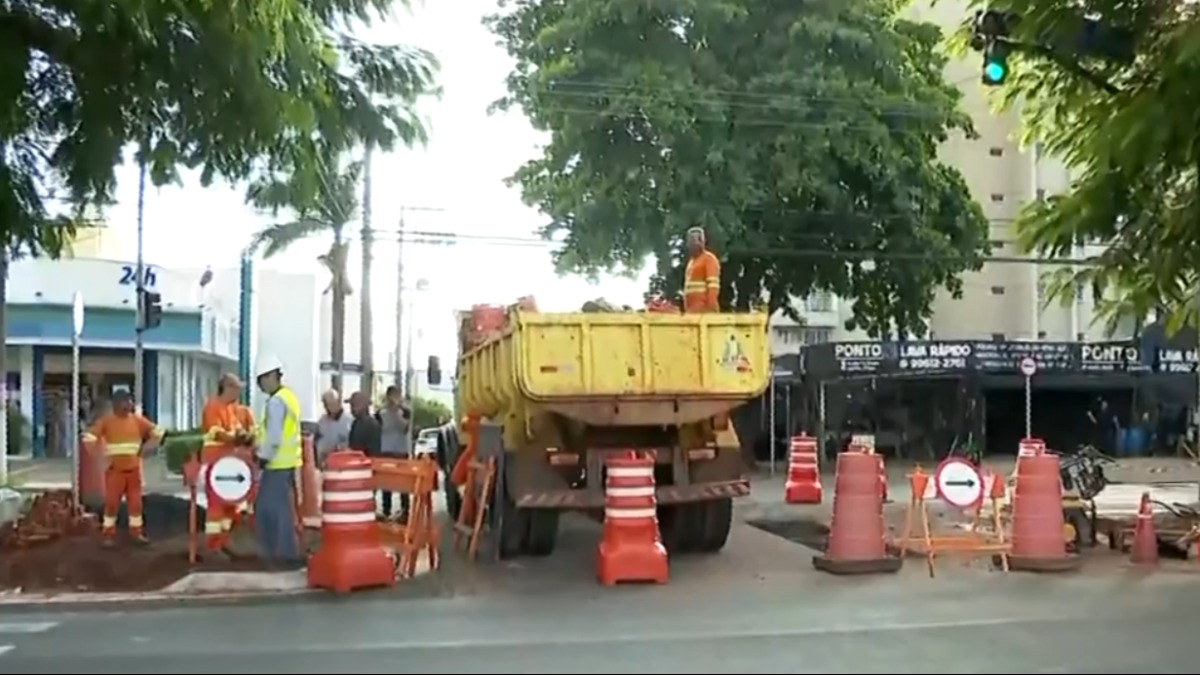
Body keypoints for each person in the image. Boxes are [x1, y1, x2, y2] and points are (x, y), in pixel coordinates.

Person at [82, 391, 163, 546]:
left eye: (130, 402)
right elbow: (89, 438)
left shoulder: (137, 421)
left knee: (136, 504)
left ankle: (136, 533)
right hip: (115, 471)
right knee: (112, 504)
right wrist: (98, 457)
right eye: (125, 402)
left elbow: (158, 432)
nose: (128, 405)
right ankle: (108, 534)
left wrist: (148, 447)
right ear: (116, 404)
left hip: (133, 471)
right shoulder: (107, 421)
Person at [253, 357, 304, 568]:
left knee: (268, 509)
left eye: (261, 380)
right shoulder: (288, 397)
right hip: (288, 463)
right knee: (278, 508)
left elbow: (274, 436)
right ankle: (283, 552)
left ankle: (280, 554)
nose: (261, 386)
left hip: (276, 464)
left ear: (270, 376)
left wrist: (262, 457)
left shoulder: (276, 402)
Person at [199, 373, 250, 551]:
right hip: (215, 463)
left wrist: (245, 436)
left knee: (230, 506)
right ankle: (213, 546)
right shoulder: (212, 407)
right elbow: (218, 433)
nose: (238, 393)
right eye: (236, 388)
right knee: (216, 506)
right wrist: (236, 438)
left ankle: (222, 541)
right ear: (227, 387)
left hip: (227, 463)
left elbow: (238, 430)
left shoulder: (230, 409)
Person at [347, 391, 387, 518]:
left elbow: (362, 449)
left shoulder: (369, 424)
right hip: (360, 469)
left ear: (363, 405)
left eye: (354, 405)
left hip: (365, 469)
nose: (352, 409)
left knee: (363, 502)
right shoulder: (357, 423)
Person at [377, 385, 413, 519]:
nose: (394, 399)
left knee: (403, 483)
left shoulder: (405, 412)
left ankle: (405, 510)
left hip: (400, 451)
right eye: (391, 396)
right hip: (386, 450)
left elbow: (405, 428)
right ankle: (387, 510)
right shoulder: (381, 413)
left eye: (396, 396)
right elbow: (378, 429)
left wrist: (397, 411)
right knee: (386, 483)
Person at [682, 226, 720, 313]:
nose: (695, 243)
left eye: (698, 240)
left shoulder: (709, 259)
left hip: (704, 311)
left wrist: (711, 309)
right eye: (691, 241)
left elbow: (713, 286)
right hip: (691, 311)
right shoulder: (691, 262)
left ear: (703, 242)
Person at [315, 388, 352, 465]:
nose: (327, 407)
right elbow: (317, 440)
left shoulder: (349, 421)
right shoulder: (322, 421)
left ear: (338, 402)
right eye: (325, 404)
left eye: (330, 403)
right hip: (323, 463)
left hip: (341, 463)